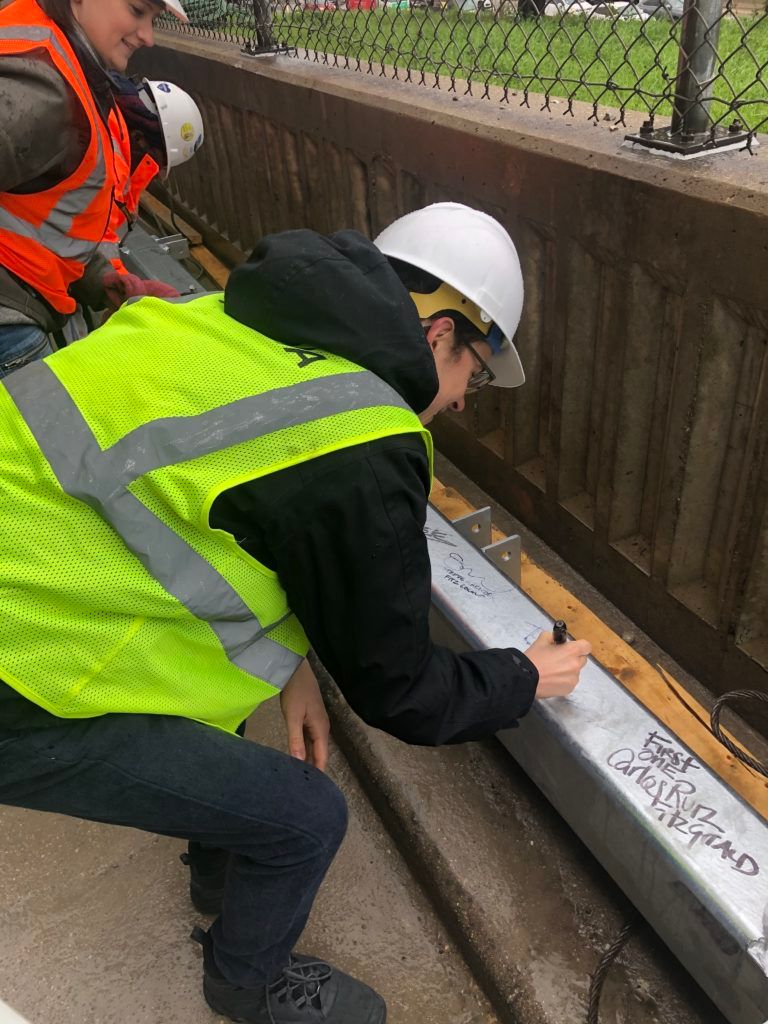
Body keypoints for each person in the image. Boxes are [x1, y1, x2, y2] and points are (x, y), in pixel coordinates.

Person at [0, 202, 592, 1024]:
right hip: (18, 677)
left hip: (33, 575)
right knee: (308, 819)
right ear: (438, 336)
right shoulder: (360, 438)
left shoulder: (233, 313)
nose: (462, 402)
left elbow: (229, 516)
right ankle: (245, 982)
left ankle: (220, 867)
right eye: (477, 375)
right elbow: (401, 690)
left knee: (224, 698)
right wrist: (527, 675)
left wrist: (291, 663)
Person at [0, 0, 187, 377]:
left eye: (153, 19)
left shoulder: (73, 74)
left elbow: (34, 217)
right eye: (137, 10)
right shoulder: (45, 86)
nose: (148, 37)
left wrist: (100, 279)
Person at [100, 75, 205, 273]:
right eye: (158, 163)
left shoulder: (107, 127)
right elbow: (95, 241)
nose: (156, 175)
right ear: (139, 138)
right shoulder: (107, 167)